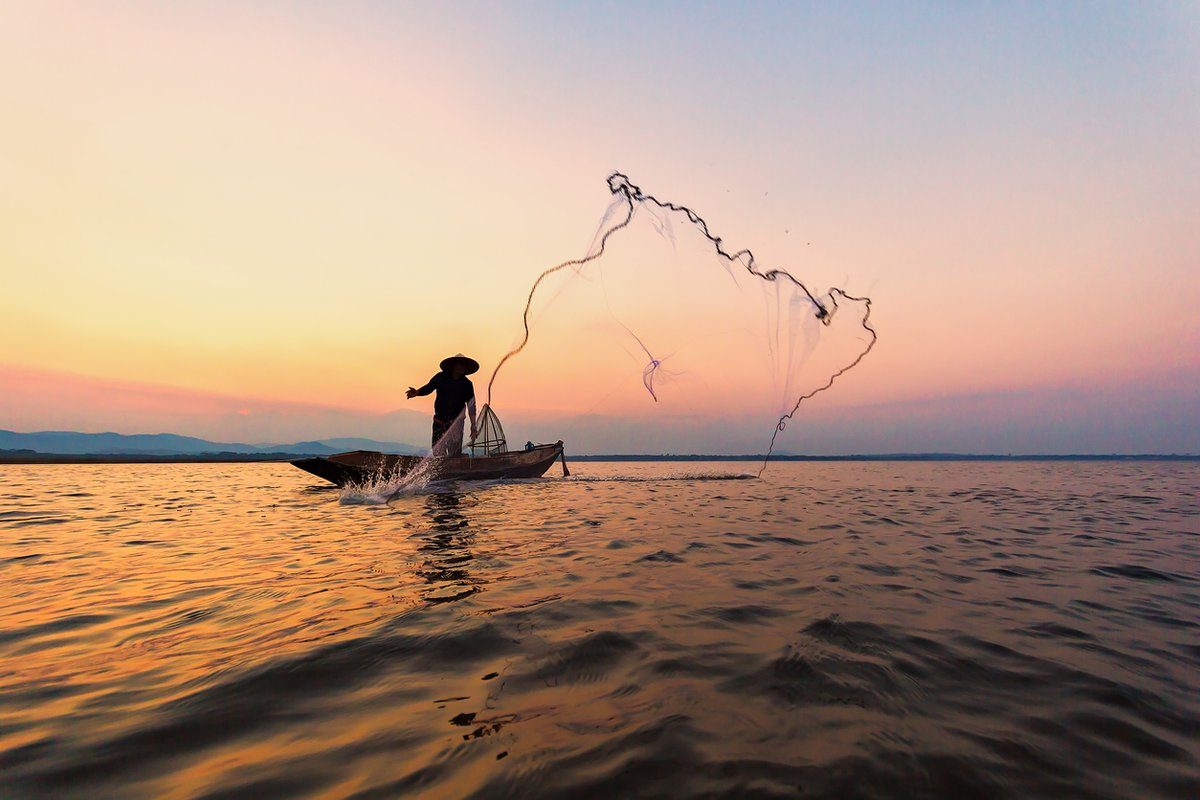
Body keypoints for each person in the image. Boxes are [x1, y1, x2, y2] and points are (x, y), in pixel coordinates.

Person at [406, 353, 479, 456]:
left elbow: (471, 405)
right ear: (453, 365)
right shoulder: (441, 377)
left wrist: (473, 425)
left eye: (464, 365)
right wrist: (417, 392)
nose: (462, 367)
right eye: (459, 364)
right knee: (438, 452)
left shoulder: (467, 384)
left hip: (456, 425)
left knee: (454, 454)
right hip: (439, 422)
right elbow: (429, 387)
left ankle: (452, 470)